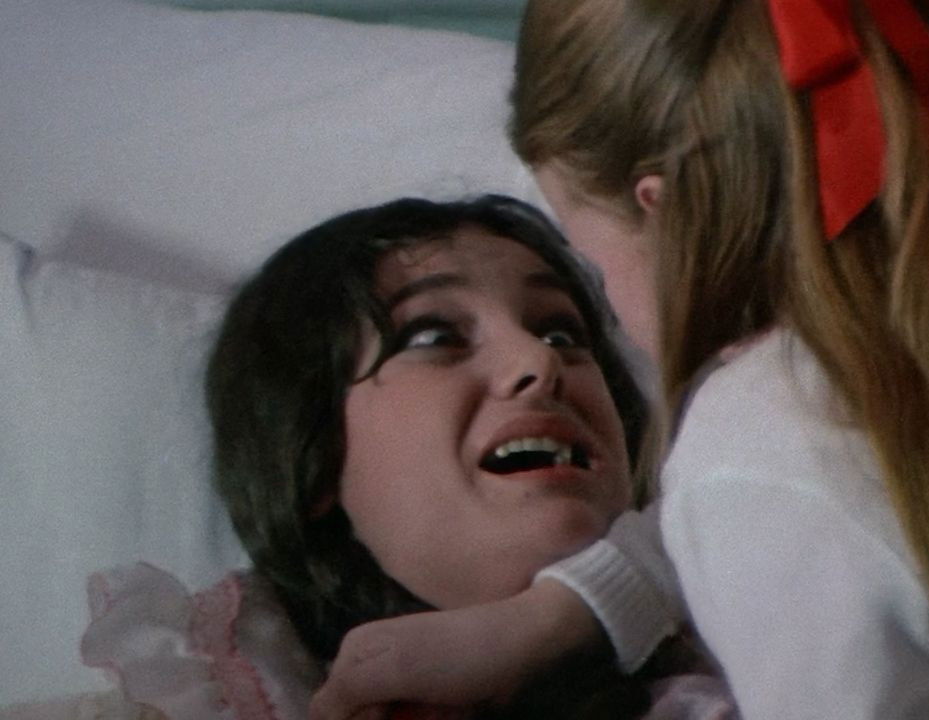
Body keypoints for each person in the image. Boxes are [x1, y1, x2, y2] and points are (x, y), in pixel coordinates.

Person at [313, 1, 929, 719]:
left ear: (666, 214)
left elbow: (795, 493)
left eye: (578, 300)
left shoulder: (761, 447)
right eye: (433, 337)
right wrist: (570, 610)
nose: (539, 361)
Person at [20, 195, 733, 720]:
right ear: (315, 457)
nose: (539, 363)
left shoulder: (750, 658)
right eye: (433, 337)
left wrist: (566, 614)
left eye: (561, 333)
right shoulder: (204, 696)